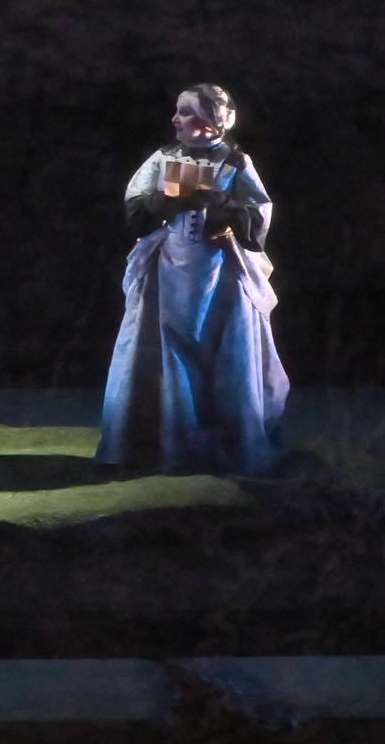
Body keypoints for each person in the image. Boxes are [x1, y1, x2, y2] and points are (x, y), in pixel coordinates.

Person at [97, 82, 287, 474]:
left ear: (209, 120)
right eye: (178, 111)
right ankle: (162, 444)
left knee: (227, 351)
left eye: (185, 112)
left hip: (221, 274)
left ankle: (229, 446)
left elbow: (257, 214)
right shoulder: (164, 157)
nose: (175, 119)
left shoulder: (235, 162)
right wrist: (166, 200)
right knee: (162, 349)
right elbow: (136, 205)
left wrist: (222, 205)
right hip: (168, 271)